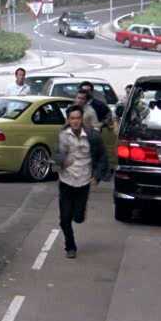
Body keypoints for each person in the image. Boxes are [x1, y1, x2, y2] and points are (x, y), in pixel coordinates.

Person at [55, 105, 109, 259]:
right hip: (66, 181)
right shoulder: (62, 135)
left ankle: (80, 212)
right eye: (72, 118)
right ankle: (70, 247)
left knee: (77, 217)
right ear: (68, 120)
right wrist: (61, 162)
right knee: (65, 218)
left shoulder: (93, 136)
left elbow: (102, 157)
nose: (75, 121)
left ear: (82, 119)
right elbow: (57, 154)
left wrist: (97, 176)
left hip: (84, 181)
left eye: (78, 118)